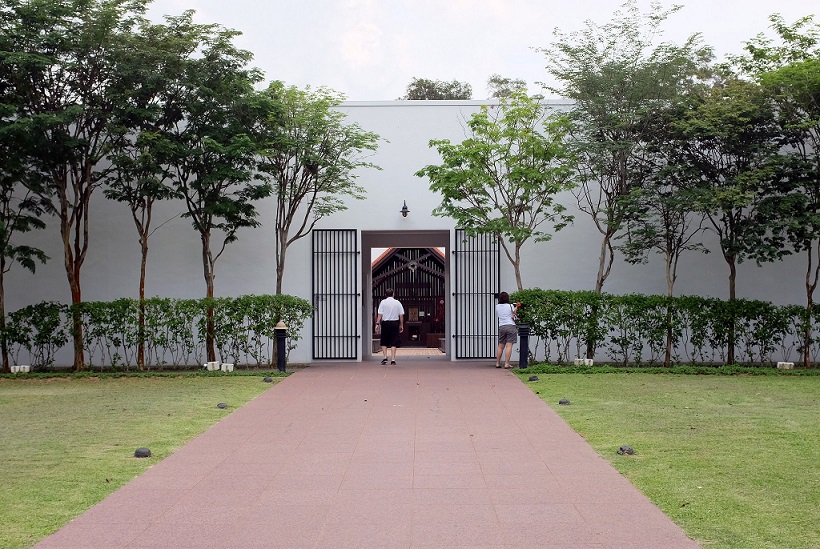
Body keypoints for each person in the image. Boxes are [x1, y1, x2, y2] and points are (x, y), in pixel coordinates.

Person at [375, 288, 404, 365]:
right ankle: (393, 359)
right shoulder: (397, 303)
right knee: (394, 341)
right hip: (394, 323)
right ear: (393, 294)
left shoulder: (383, 302)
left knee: (384, 340)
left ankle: (385, 357)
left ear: (385, 294)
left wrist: (377, 323)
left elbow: (380, 314)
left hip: (385, 323)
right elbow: (401, 315)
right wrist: (401, 325)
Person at [495, 291, 519, 369]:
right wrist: (516, 308)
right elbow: (514, 314)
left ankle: (498, 363)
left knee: (500, 346)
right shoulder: (510, 305)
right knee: (509, 346)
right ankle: (507, 364)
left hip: (502, 326)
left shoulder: (497, 306)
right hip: (510, 326)